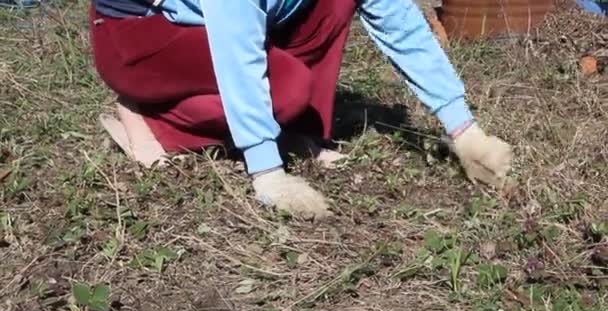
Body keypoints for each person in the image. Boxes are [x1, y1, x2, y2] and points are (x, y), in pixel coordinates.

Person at [89, 0, 513, 219]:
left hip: (220, 24)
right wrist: (267, 172)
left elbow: (399, 23)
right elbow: (238, 49)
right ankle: (149, 117)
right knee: (287, 90)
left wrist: (464, 129)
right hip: (142, 33)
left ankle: (296, 126)